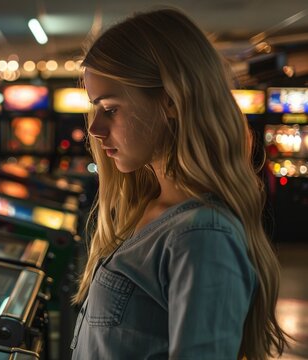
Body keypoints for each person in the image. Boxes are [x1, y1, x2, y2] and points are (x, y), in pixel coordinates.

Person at [71, 7, 289, 360]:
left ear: (171, 101)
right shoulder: (146, 207)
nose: (94, 129)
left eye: (110, 109)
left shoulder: (202, 236)